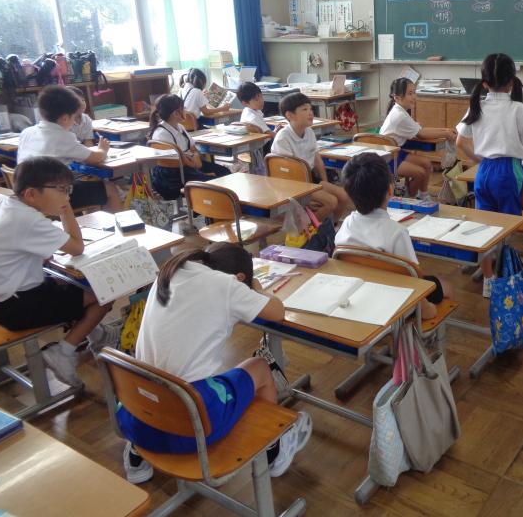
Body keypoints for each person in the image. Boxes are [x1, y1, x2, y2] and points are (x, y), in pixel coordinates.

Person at [116, 243, 312, 483]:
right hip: (189, 426)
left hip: (136, 414)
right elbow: (277, 311)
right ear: (240, 278)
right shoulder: (228, 285)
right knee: (259, 367)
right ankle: (274, 451)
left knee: (168, 371)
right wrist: (257, 289)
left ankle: (136, 458)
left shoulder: (172, 271)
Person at [0, 157, 118, 387]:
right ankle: (63, 352)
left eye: (69, 189)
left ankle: (94, 333)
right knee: (105, 291)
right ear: (31, 194)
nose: (67, 196)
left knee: (72, 283)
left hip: (1, 298)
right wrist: (66, 210)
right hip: (16, 307)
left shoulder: (5, 206)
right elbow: (77, 247)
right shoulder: (28, 220)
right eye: (62, 190)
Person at [456, 53, 523, 296]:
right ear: (512, 82)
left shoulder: (477, 106)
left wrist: (479, 160)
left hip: (483, 173)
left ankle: (489, 279)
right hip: (509, 171)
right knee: (506, 228)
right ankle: (506, 276)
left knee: (485, 228)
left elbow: (460, 142)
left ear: (484, 84)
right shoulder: (518, 109)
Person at [337, 152, 452, 320]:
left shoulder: (346, 224)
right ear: (390, 190)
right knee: (447, 287)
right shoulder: (397, 233)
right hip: (394, 303)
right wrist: (427, 310)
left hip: (358, 297)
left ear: (348, 193)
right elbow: (414, 280)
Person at [17, 85, 122, 212]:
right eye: (73, 117)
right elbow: (96, 158)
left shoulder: (27, 132)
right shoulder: (62, 137)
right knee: (110, 188)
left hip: (28, 196)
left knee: (84, 183)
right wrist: (103, 149)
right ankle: (122, 223)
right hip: (52, 197)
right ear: (65, 118)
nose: (74, 122)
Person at [271, 92, 350, 222]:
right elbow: (287, 173)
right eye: (304, 109)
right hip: (292, 183)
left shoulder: (309, 132)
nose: (310, 113)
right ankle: (306, 229)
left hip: (309, 179)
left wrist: (324, 181)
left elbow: (317, 159)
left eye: (311, 109)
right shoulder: (283, 138)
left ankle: (332, 225)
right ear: (290, 115)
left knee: (344, 196)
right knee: (331, 202)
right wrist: (309, 193)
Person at [379, 77, 457, 199]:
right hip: (387, 158)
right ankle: (409, 197)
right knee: (420, 173)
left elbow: (421, 130)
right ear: (397, 97)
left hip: (395, 152)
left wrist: (445, 130)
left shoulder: (400, 111)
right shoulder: (400, 115)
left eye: (414, 92)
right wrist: (446, 134)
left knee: (426, 164)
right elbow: (422, 134)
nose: (414, 97)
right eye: (410, 93)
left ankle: (423, 195)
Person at [148, 94, 231, 200]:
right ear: (175, 113)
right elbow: (174, 161)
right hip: (173, 175)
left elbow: (193, 149)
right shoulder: (161, 134)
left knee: (225, 172)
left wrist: (195, 157)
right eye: (183, 109)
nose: (186, 111)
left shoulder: (180, 127)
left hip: (187, 166)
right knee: (216, 184)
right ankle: (207, 207)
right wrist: (194, 162)